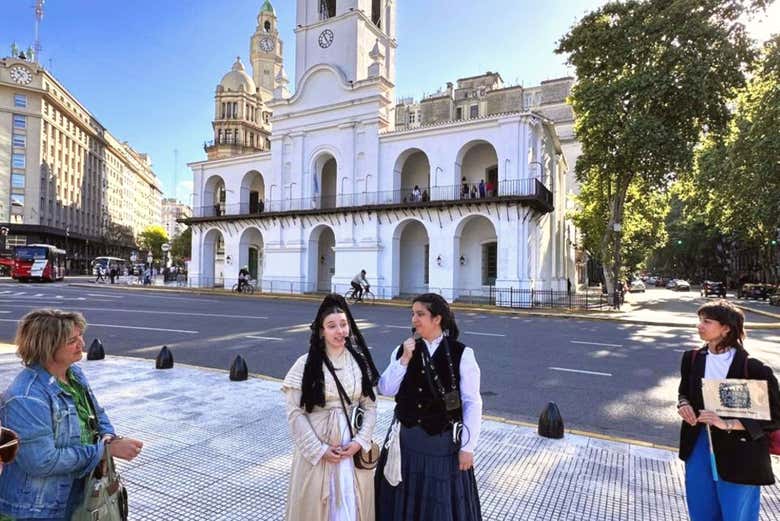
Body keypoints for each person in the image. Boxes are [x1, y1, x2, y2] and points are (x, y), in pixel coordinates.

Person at [0, 309, 144, 520]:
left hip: (75, 494)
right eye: (72, 341)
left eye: (80, 337)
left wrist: (108, 437)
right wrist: (103, 451)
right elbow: (42, 462)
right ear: (47, 347)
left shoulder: (73, 373)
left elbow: (96, 412)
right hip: (38, 508)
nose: (82, 344)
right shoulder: (26, 397)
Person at [375, 293, 483, 521]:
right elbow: (385, 388)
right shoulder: (404, 350)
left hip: (442, 447)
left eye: (420, 314)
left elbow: (472, 403)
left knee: (438, 507)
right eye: (413, 314)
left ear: (437, 319)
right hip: (407, 444)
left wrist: (468, 447)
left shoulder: (462, 354)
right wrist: (404, 359)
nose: (414, 319)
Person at [677, 300, 780, 521]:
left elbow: (773, 417)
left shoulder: (753, 368)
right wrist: (684, 405)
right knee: (701, 509)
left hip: (740, 452)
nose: (700, 326)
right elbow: (684, 392)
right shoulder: (692, 358)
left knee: (736, 513)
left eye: (707, 321)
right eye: (700, 321)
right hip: (698, 446)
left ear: (726, 328)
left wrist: (727, 423)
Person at [282, 294, 380, 521]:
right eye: (332, 326)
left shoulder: (359, 362)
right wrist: (319, 450)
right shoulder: (304, 365)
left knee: (354, 505)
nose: (340, 331)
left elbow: (371, 405)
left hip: (352, 449)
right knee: (317, 508)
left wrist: (359, 442)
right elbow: (295, 413)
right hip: (318, 448)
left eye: (344, 325)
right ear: (321, 331)